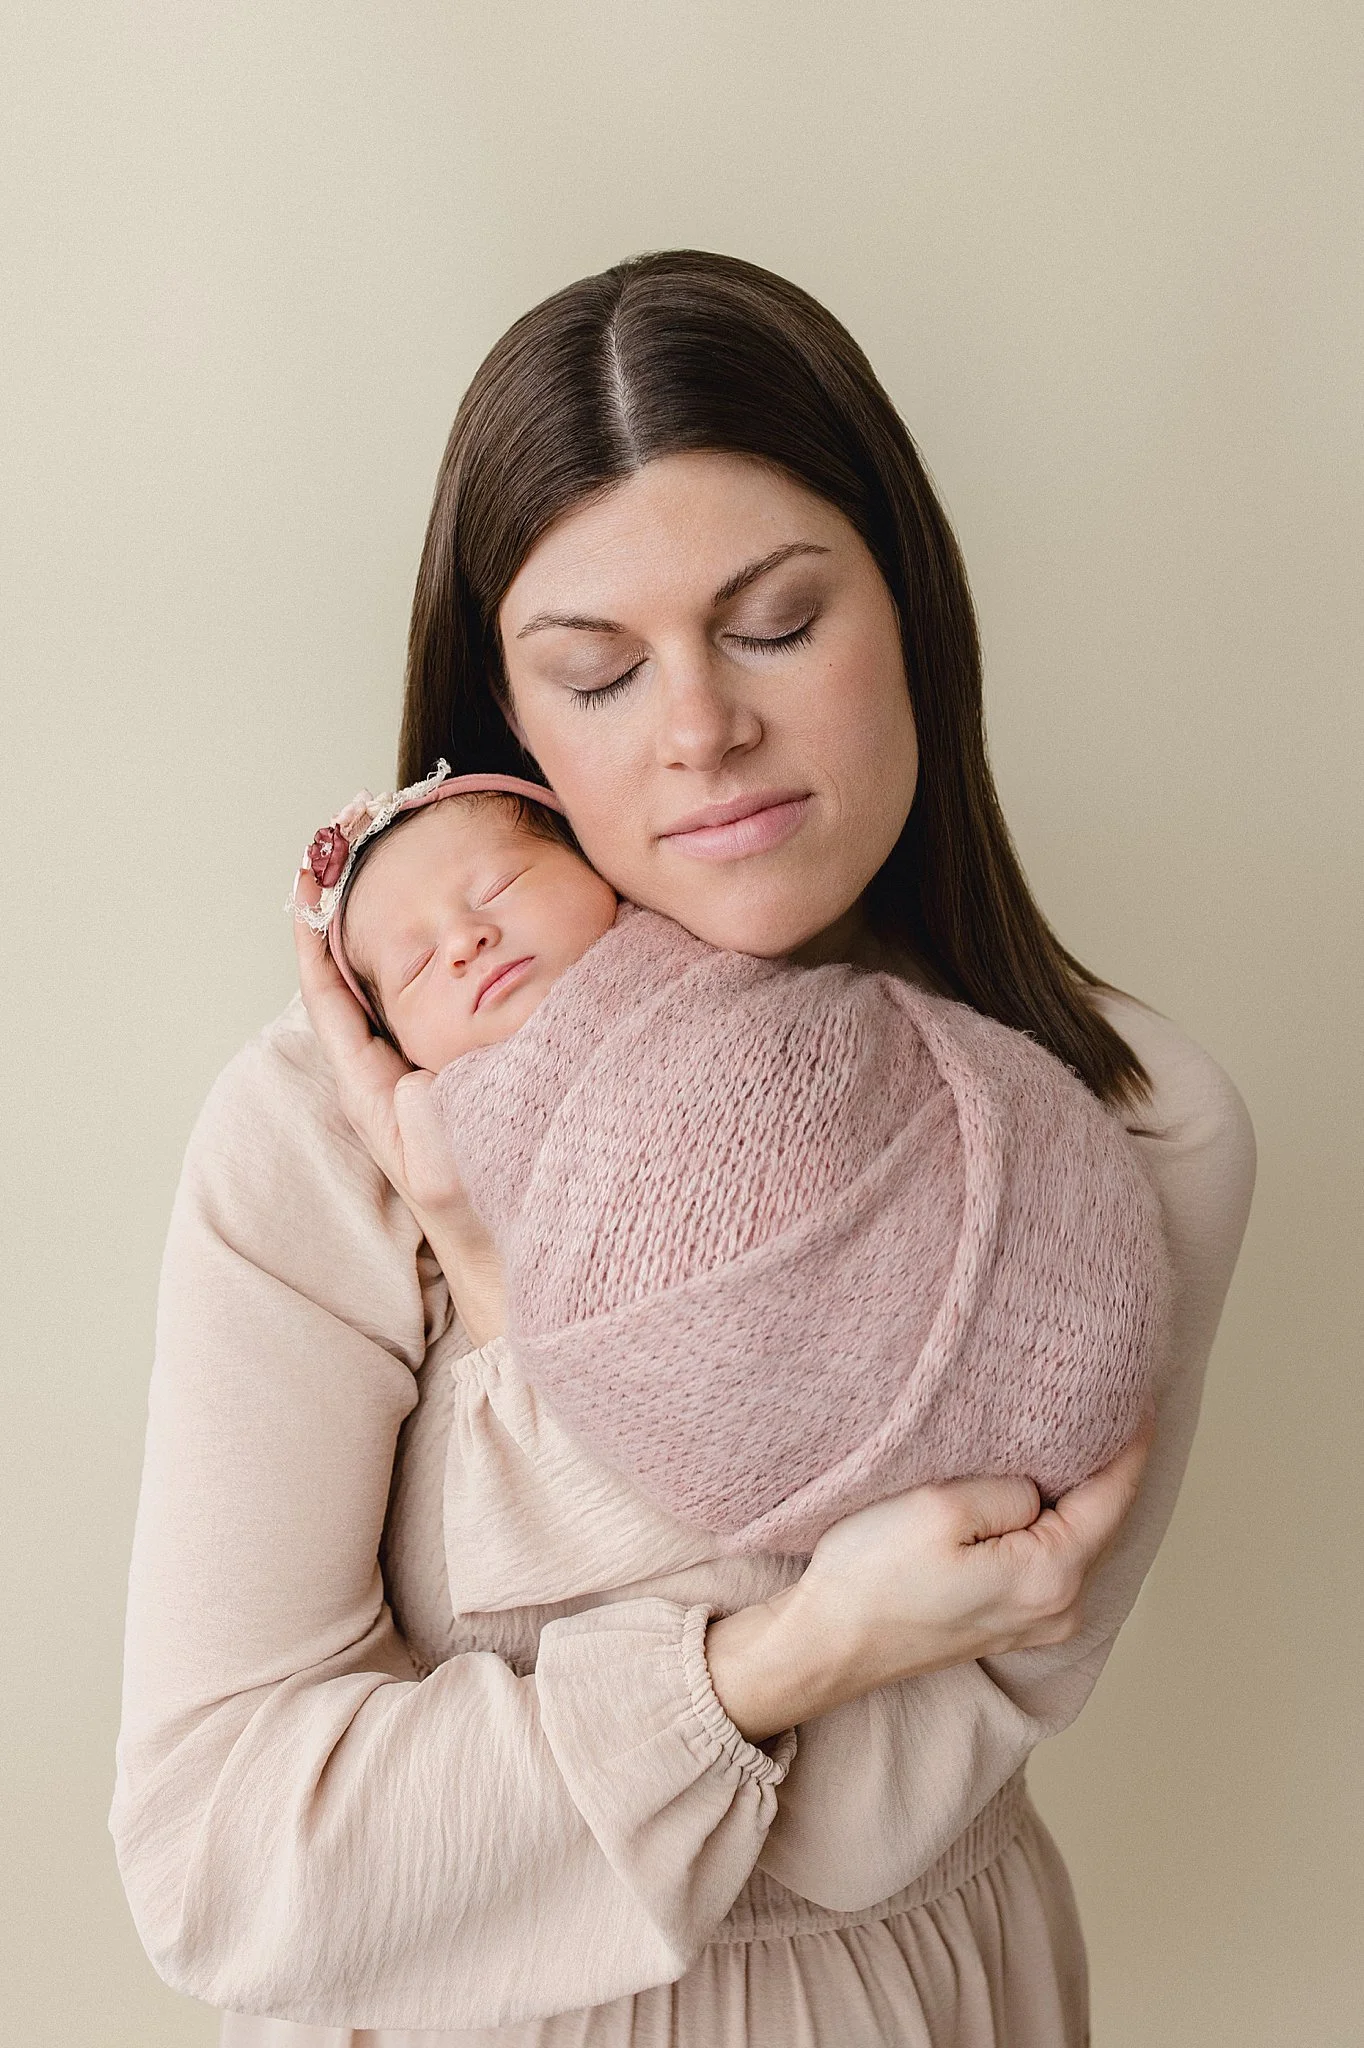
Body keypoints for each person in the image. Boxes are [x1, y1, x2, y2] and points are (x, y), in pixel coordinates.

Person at [111, 250, 1257, 2046]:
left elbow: (857, 1833)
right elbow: (222, 1860)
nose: (699, 729)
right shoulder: (322, 1136)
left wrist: (513, 1306)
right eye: (592, 670)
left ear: (912, 612)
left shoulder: (1108, 1137)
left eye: (776, 624)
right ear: (503, 731)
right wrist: (789, 1651)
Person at [290, 756, 1169, 1547]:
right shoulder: (424, 1125)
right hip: (795, 1440)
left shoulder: (704, 951)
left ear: (599, 872)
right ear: (398, 1043)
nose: (464, 941)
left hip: (1030, 1244)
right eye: (413, 966)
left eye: (500, 886)